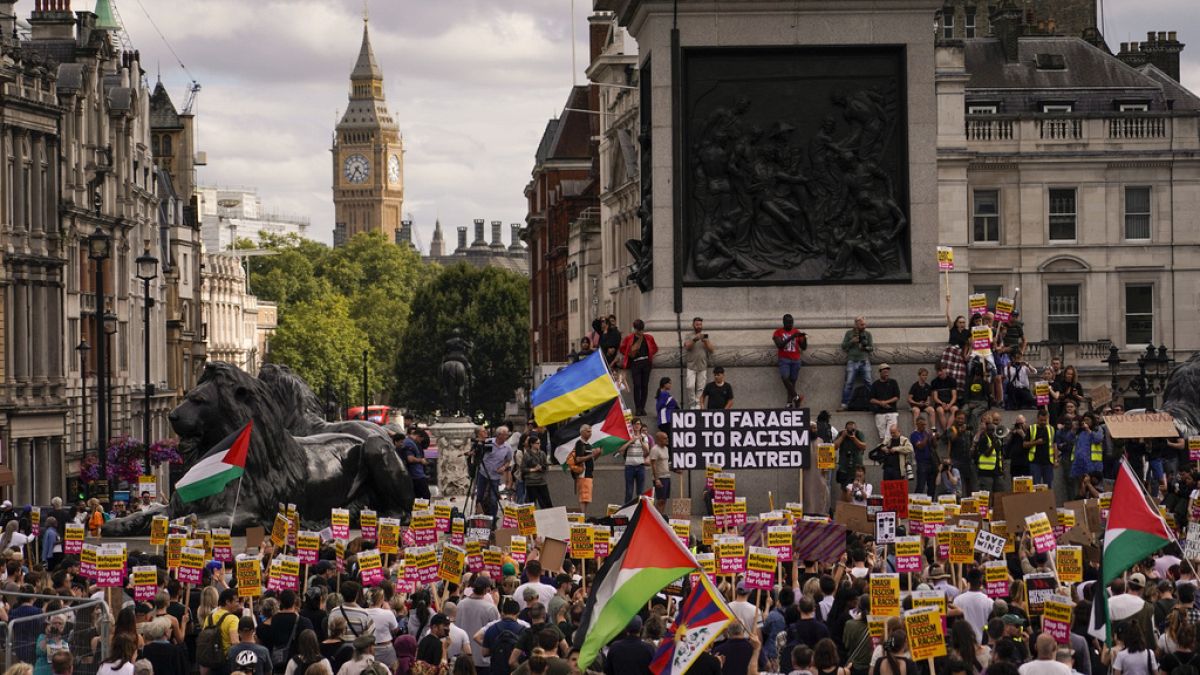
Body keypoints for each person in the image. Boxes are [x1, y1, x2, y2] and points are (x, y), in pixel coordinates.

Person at [456, 577, 500, 674]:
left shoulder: (461, 605)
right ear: (485, 590)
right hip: (483, 659)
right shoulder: (490, 608)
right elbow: (496, 632)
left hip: (464, 658)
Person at [619, 319, 658, 416]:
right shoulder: (629, 338)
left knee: (645, 386)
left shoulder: (648, 338)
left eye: (641, 329)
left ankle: (642, 408)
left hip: (646, 363)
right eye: (638, 329)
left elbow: (655, 348)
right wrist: (630, 353)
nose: (640, 331)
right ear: (635, 329)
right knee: (637, 385)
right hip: (635, 363)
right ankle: (637, 408)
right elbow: (622, 349)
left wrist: (650, 354)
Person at [840, 316, 874, 411]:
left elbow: (871, 348)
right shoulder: (849, 333)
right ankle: (844, 404)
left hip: (864, 361)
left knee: (868, 382)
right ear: (856, 324)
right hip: (852, 361)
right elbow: (843, 346)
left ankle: (873, 403)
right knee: (848, 383)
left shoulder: (867, 334)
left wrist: (865, 347)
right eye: (862, 324)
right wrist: (852, 341)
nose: (864, 326)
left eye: (864, 324)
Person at [774, 314, 808, 408]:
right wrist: (791, 337)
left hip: (795, 360)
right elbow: (780, 345)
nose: (790, 324)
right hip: (784, 359)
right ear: (784, 322)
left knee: (792, 382)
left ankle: (789, 403)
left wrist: (804, 339)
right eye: (788, 323)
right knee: (785, 378)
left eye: (792, 322)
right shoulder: (778, 332)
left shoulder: (796, 331)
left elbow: (804, 347)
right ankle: (796, 397)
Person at [567, 426, 602, 514]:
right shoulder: (580, 444)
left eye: (590, 432)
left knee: (587, 498)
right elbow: (578, 459)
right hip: (583, 474)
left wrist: (597, 453)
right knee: (583, 497)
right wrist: (591, 455)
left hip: (589, 474)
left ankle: (583, 516)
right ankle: (582, 517)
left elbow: (592, 459)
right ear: (582, 432)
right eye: (587, 431)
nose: (589, 433)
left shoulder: (588, 445)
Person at [684, 317, 714, 409]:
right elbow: (687, 347)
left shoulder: (705, 336)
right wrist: (695, 339)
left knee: (701, 387)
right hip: (691, 365)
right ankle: (692, 403)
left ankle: (698, 404)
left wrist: (706, 341)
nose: (698, 326)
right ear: (693, 325)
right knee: (690, 386)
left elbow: (711, 350)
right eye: (697, 324)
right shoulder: (688, 336)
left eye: (700, 324)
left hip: (702, 365)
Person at [619, 420, 652, 503]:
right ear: (632, 425)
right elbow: (620, 450)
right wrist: (630, 441)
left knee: (640, 492)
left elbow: (647, 451)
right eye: (635, 424)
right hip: (629, 466)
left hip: (640, 466)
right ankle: (627, 511)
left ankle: (638, 512)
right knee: (629, 491)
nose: (637, 426)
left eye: (639, 424)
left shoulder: (644, 437)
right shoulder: (627, 436)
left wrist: (641, 441)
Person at [869, 364, 901, 443]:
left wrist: (886, 402)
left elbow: (897, 397)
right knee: (882, 435)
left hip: (891, 411)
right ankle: (884, 450)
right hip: (880, 412)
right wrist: (880, 403)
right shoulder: (875, 384)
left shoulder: (893, 382)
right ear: (880, 373)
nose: (886, 374)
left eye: (887, 372)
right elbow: (871, 399)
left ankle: (886, 449)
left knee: (890, 433)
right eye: (884, 372)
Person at [1025, 409, 1056, 489]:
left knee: (1049, 485)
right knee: (1036, 486)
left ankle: (1048, 501)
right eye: (1041, 420)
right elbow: (1024, 444)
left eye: (1045, 420)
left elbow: (1054, 445)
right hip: (1035, 462)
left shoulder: (1051, 429)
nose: (1043, 422)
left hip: (1048, 462)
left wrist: (1056, 459)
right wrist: (1036, 442)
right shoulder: (1031, 428)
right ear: (1037, 418)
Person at [521, 434, 552, 509]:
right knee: (531, 504)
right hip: (531, 482)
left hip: (541, 481)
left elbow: (546, 466)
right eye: (537, 443)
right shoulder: (526, 455)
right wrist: (533, 469)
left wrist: (541, 468)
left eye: (539, 443)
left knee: (546, 502)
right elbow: (523, 469)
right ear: (532, 444)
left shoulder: (542, 453)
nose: (539, 445)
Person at [398, 429, 431, 501]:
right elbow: (410, 458)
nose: (420, 442)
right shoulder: (409, 443)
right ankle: (423, 512)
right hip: (416, 475)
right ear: (418, 436)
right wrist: (421, 460)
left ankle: (419, 511)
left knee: (418, 497)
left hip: (414, 474)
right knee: (425, 495)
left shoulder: (408, 442)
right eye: (421, 440)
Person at [835, 421, 867, 488]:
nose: (850, 431)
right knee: (844, 488)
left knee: (857, 487)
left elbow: (864, 446)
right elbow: (834, 447)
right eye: (848, 429)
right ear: (845, 429)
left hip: (857, 466)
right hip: (844, 466)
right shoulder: (841, 434)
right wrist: (842, 437)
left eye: (852, 429)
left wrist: (854, 438)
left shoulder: (858, 434)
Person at [649, 431, 674, 513]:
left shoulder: (666, 449)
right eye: (664, 438)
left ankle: (661, 518)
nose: (667, 440)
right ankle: (656, 518)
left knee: (664, 500)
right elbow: (653, 465)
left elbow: (665, 464)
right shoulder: (655, 449)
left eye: (667, 438)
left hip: (667, 477)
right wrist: (656, 479)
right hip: (660, 478)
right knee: (660, 500)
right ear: (659, 440)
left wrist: (675, 470)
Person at [910, 418, 937, 496]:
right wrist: (926, 437)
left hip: (931, 461)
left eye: (925, 425)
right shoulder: (914, 435)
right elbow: (920, 446)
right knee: (921, 485)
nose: (924, 426)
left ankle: (931, 501)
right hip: (922, 462)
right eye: (922, 425)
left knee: (932, 486)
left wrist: (934, 438)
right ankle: (916, 501)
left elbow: (935, 446)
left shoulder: (927, 433)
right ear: (917, 425)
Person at [930, 365, 959, 432]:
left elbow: (954, 396)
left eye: (941, 371)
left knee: (955, 409)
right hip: (940, 402)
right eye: (938, 371)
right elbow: (935, 397)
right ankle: (946, 431)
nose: (939, 373)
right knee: (940, 410)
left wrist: (950, 405)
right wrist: (942, 403)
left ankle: (947, 429)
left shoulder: (952, 380)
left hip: (950, 402)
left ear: (945, 370)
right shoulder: (934, 382)